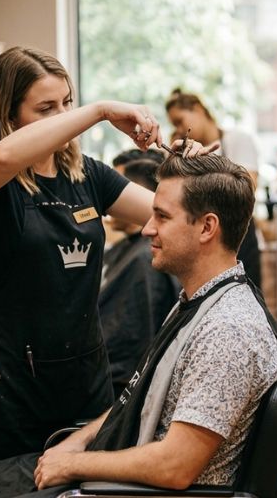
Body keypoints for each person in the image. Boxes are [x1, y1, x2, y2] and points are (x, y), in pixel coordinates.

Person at [0, 154, 277, 498]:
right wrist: (79, 441)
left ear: (207, 227)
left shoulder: (227, 330)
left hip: (137, 491)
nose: (147, 228)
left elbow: (175, 467)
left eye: (162, 216)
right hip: (121, 471)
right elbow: (139, 401)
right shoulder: (200, 303)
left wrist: (74, 464)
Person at [0, 47, 214, 467]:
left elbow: (168, 216)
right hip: (4, 376)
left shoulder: (87, 175)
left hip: (82, 372)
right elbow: (4, 156)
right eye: (46, 108)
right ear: (10, 115)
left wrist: (193, 174)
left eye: (67, 103)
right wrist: (102, 111)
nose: (62, 116)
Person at [100, 156, 181, 398]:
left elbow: (129, 345)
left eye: (114, 191)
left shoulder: (144, 260)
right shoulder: (130, 250)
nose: (106, 201)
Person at [165, 88, 262, 288]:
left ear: (198, 109)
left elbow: (247, 189)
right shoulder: (186, 153)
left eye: (180, 121)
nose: (180, 129)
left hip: (240, 239)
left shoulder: (238, 140)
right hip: (203, 242)